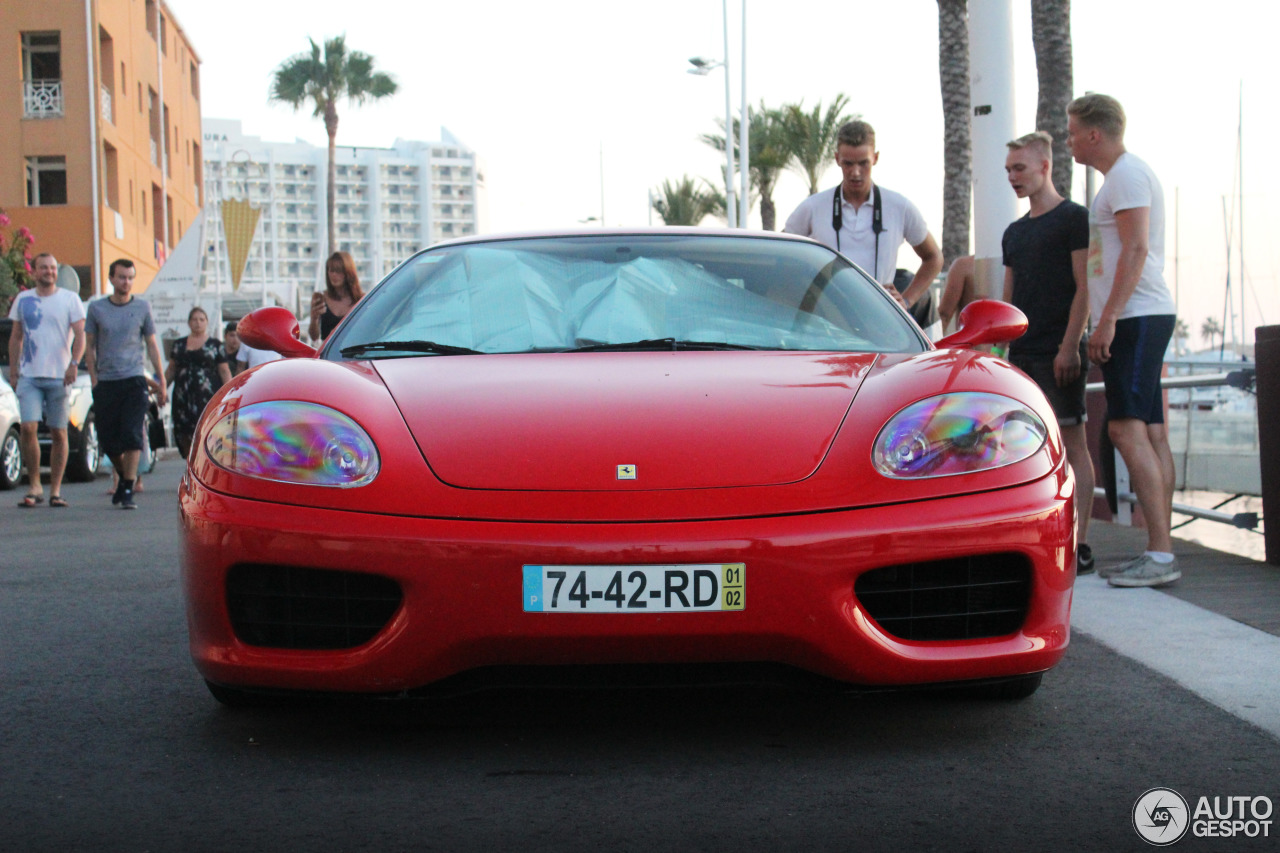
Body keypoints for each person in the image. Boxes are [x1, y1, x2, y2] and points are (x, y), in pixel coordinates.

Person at [1067, 93, 1178, 588]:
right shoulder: (1122, 178)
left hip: (1136, 316)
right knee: (1150, 432)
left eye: (1072, 132)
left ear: (1094, 134)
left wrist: (1107, 319)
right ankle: (1160, 550)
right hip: (1139, 315)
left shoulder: (1127, 176)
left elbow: (1135, 248)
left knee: (1124, 430)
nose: (1069, 140)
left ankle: (1159, 555)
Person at [1001, 131, 1096, 575]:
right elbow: (1008, 297)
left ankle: (1079, 545)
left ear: (1044, 166)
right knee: (1021, 448)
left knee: (1071, 441)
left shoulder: (1074, 218)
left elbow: (1085, 286)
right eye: (1008, 170)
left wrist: (1070, 345)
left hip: (1060, 350)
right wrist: (1003, 352)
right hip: (1021, 354)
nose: (1012, 177)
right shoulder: (1014, 232)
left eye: (1019, 168)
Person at [784, 119, 943, 317]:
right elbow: (780, 253)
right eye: (848, 164)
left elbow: (934, 258)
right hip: (829, 320)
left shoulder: (899, 207)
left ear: (875, 158)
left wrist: (907, 300)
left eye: (863, 163)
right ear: (837, 159)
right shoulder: (813, 206)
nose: (855, 172)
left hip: (881, 319)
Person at [85, 259, 167, 510]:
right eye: (121, 277)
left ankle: (129, 486)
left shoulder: (142, 307)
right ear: (111, 278)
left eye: (130, 277)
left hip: (134, 379)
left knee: (132, 436)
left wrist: (161, 379)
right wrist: (94, 380)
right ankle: (123, 478)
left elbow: (152, 344)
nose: (126, 282)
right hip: (107, 382)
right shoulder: (97, 309)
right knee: (108, 440)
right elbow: (89, 347)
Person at [6, 253, 85, 509]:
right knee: (28, 428)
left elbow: (81, 335)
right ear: (35, 271)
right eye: (44, 268)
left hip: (59, 377)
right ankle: (35, 485)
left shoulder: (69, 299)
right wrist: (14, 370)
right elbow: (16, 336)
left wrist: (74, 364)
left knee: (59, 432)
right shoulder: (23, 299)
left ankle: (56, 490)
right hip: (30, 375)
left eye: (52, 268)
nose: (49, 272)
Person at [165, 306, 232, 458]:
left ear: (207, 322)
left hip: (206, 396)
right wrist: (162, 390)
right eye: (194, 319)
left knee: (206, 430)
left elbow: (224, 371)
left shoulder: (215, 345)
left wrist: (229, 394)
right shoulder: (179, 345)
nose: (198, 323)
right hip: (183, 396)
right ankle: (191, 463)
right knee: (185, 432)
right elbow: (171, 370)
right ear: (188, 323)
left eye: (201, 319)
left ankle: (204, 463)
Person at [308, 251, 364, 343]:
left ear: (348, 272)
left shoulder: (361, 300)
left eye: (338, 271)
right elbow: (314, 337)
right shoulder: (321, 298)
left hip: (354, 351)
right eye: (331, 270)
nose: (334, 275)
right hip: (328, 354)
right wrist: (314, 318)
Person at [939, 254, 976, 333]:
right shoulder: (1007, 268)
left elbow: (944, 315)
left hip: (970, 342)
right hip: (1004, 342)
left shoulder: (964, 266)